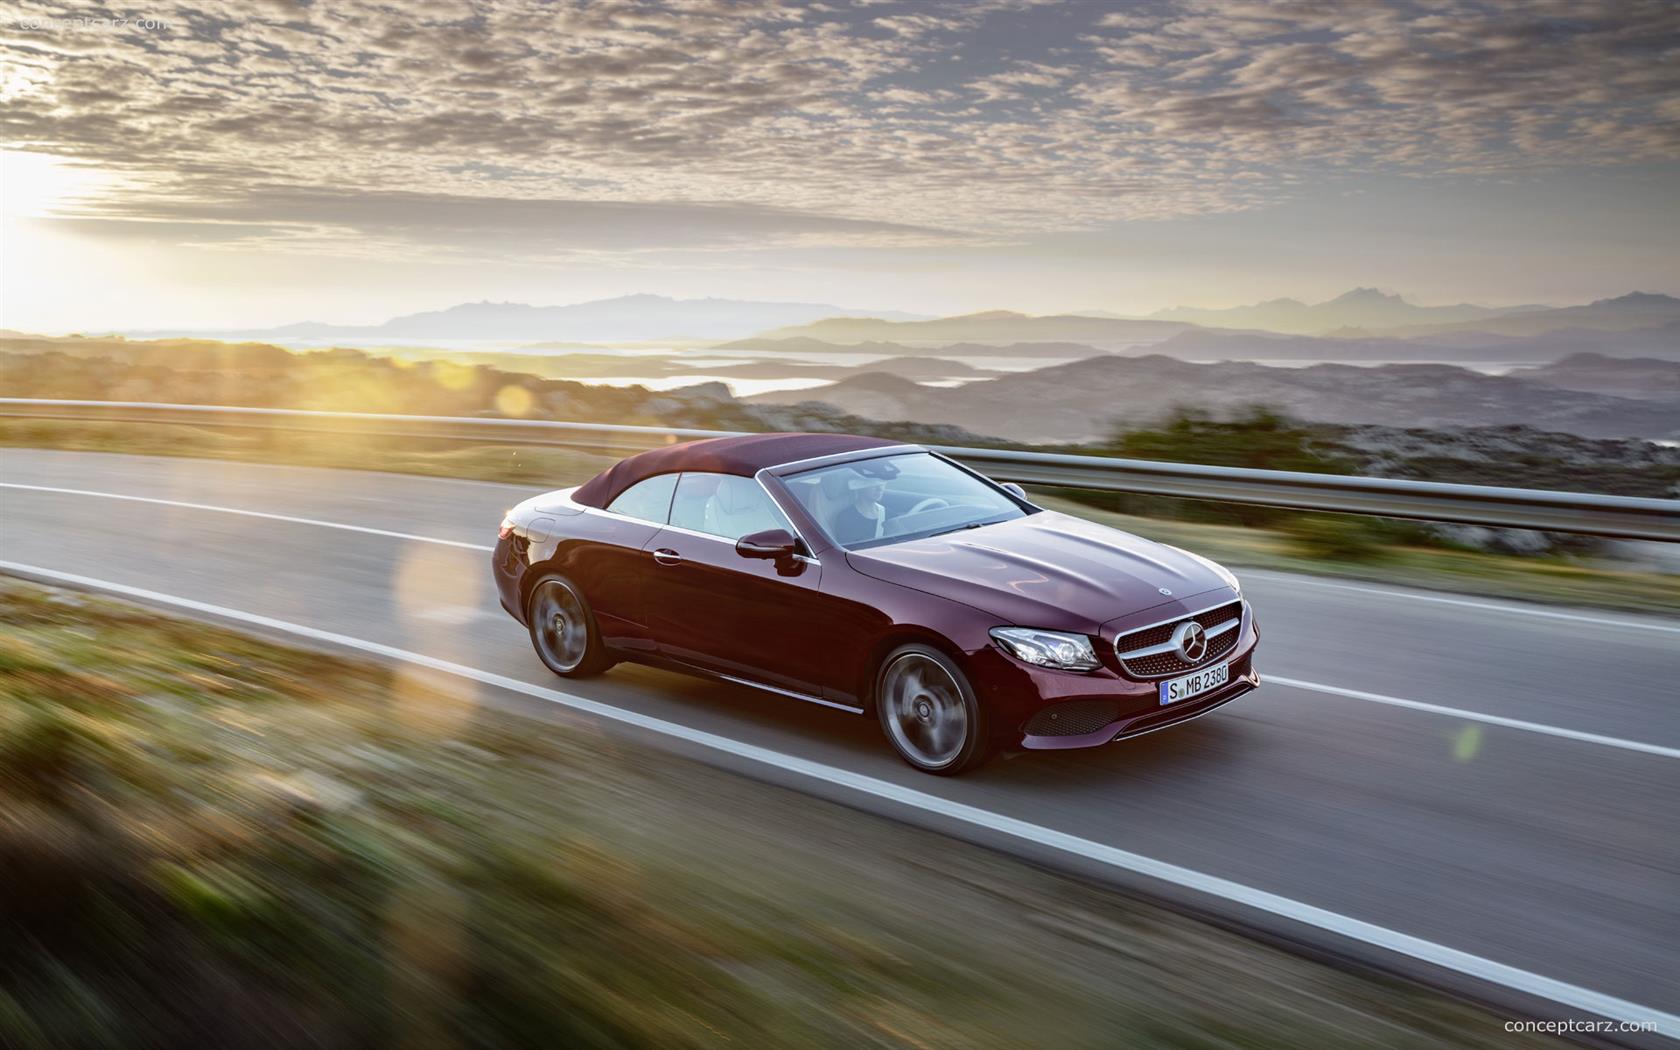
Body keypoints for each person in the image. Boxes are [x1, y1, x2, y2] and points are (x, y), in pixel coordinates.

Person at [830, 474, 886, 545]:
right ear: (859, 486)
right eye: (872, 483)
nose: (880, 488)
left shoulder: (889, 514)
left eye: (882, 482)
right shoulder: (845, 518)